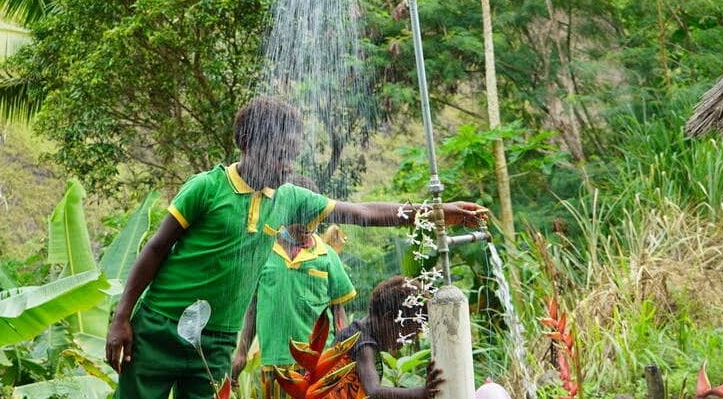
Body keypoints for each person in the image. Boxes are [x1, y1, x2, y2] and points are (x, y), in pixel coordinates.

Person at [106, 97, 487, 399]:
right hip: (159, 327)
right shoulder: (206, 189)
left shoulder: (289, 199)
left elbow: (364, 212)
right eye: (280, 154)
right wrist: (122, 317)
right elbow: (155, 250)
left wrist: (438, 212)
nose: (288, 165)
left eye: (293, 155)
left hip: (217, 341)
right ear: (248, 144)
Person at [230, 178, 356, 397]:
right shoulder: (263, 252)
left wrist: (343, 354)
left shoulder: (327, 257)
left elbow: (338, 311)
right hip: (274, 365)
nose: (307, 227)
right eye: (300, 219)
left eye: (312, 219)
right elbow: (254, 306)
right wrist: (241, 353)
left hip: (318, 365)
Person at [301, 275, 445, 399]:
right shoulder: (363, 344)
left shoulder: (356, 332)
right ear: (389, 319)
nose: (405, 342)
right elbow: (374, 391)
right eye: (406, 334)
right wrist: (420, 392)